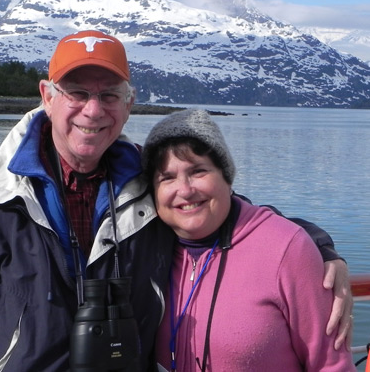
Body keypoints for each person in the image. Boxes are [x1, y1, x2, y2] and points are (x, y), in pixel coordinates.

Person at [0, 30, 351, 371]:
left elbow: (223, 210)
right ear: (47, 96)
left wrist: (315, 245)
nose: (93, 109)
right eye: (77, 93)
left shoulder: (151, 182)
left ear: (129, 105)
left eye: (109, 95)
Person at [141, 109, 356, 371]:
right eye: (167, 178)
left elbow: (331, 365)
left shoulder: (287, 249)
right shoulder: (148, 248)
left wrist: (322, 247)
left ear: (227, 178)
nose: (185, 190)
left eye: (198, 171)